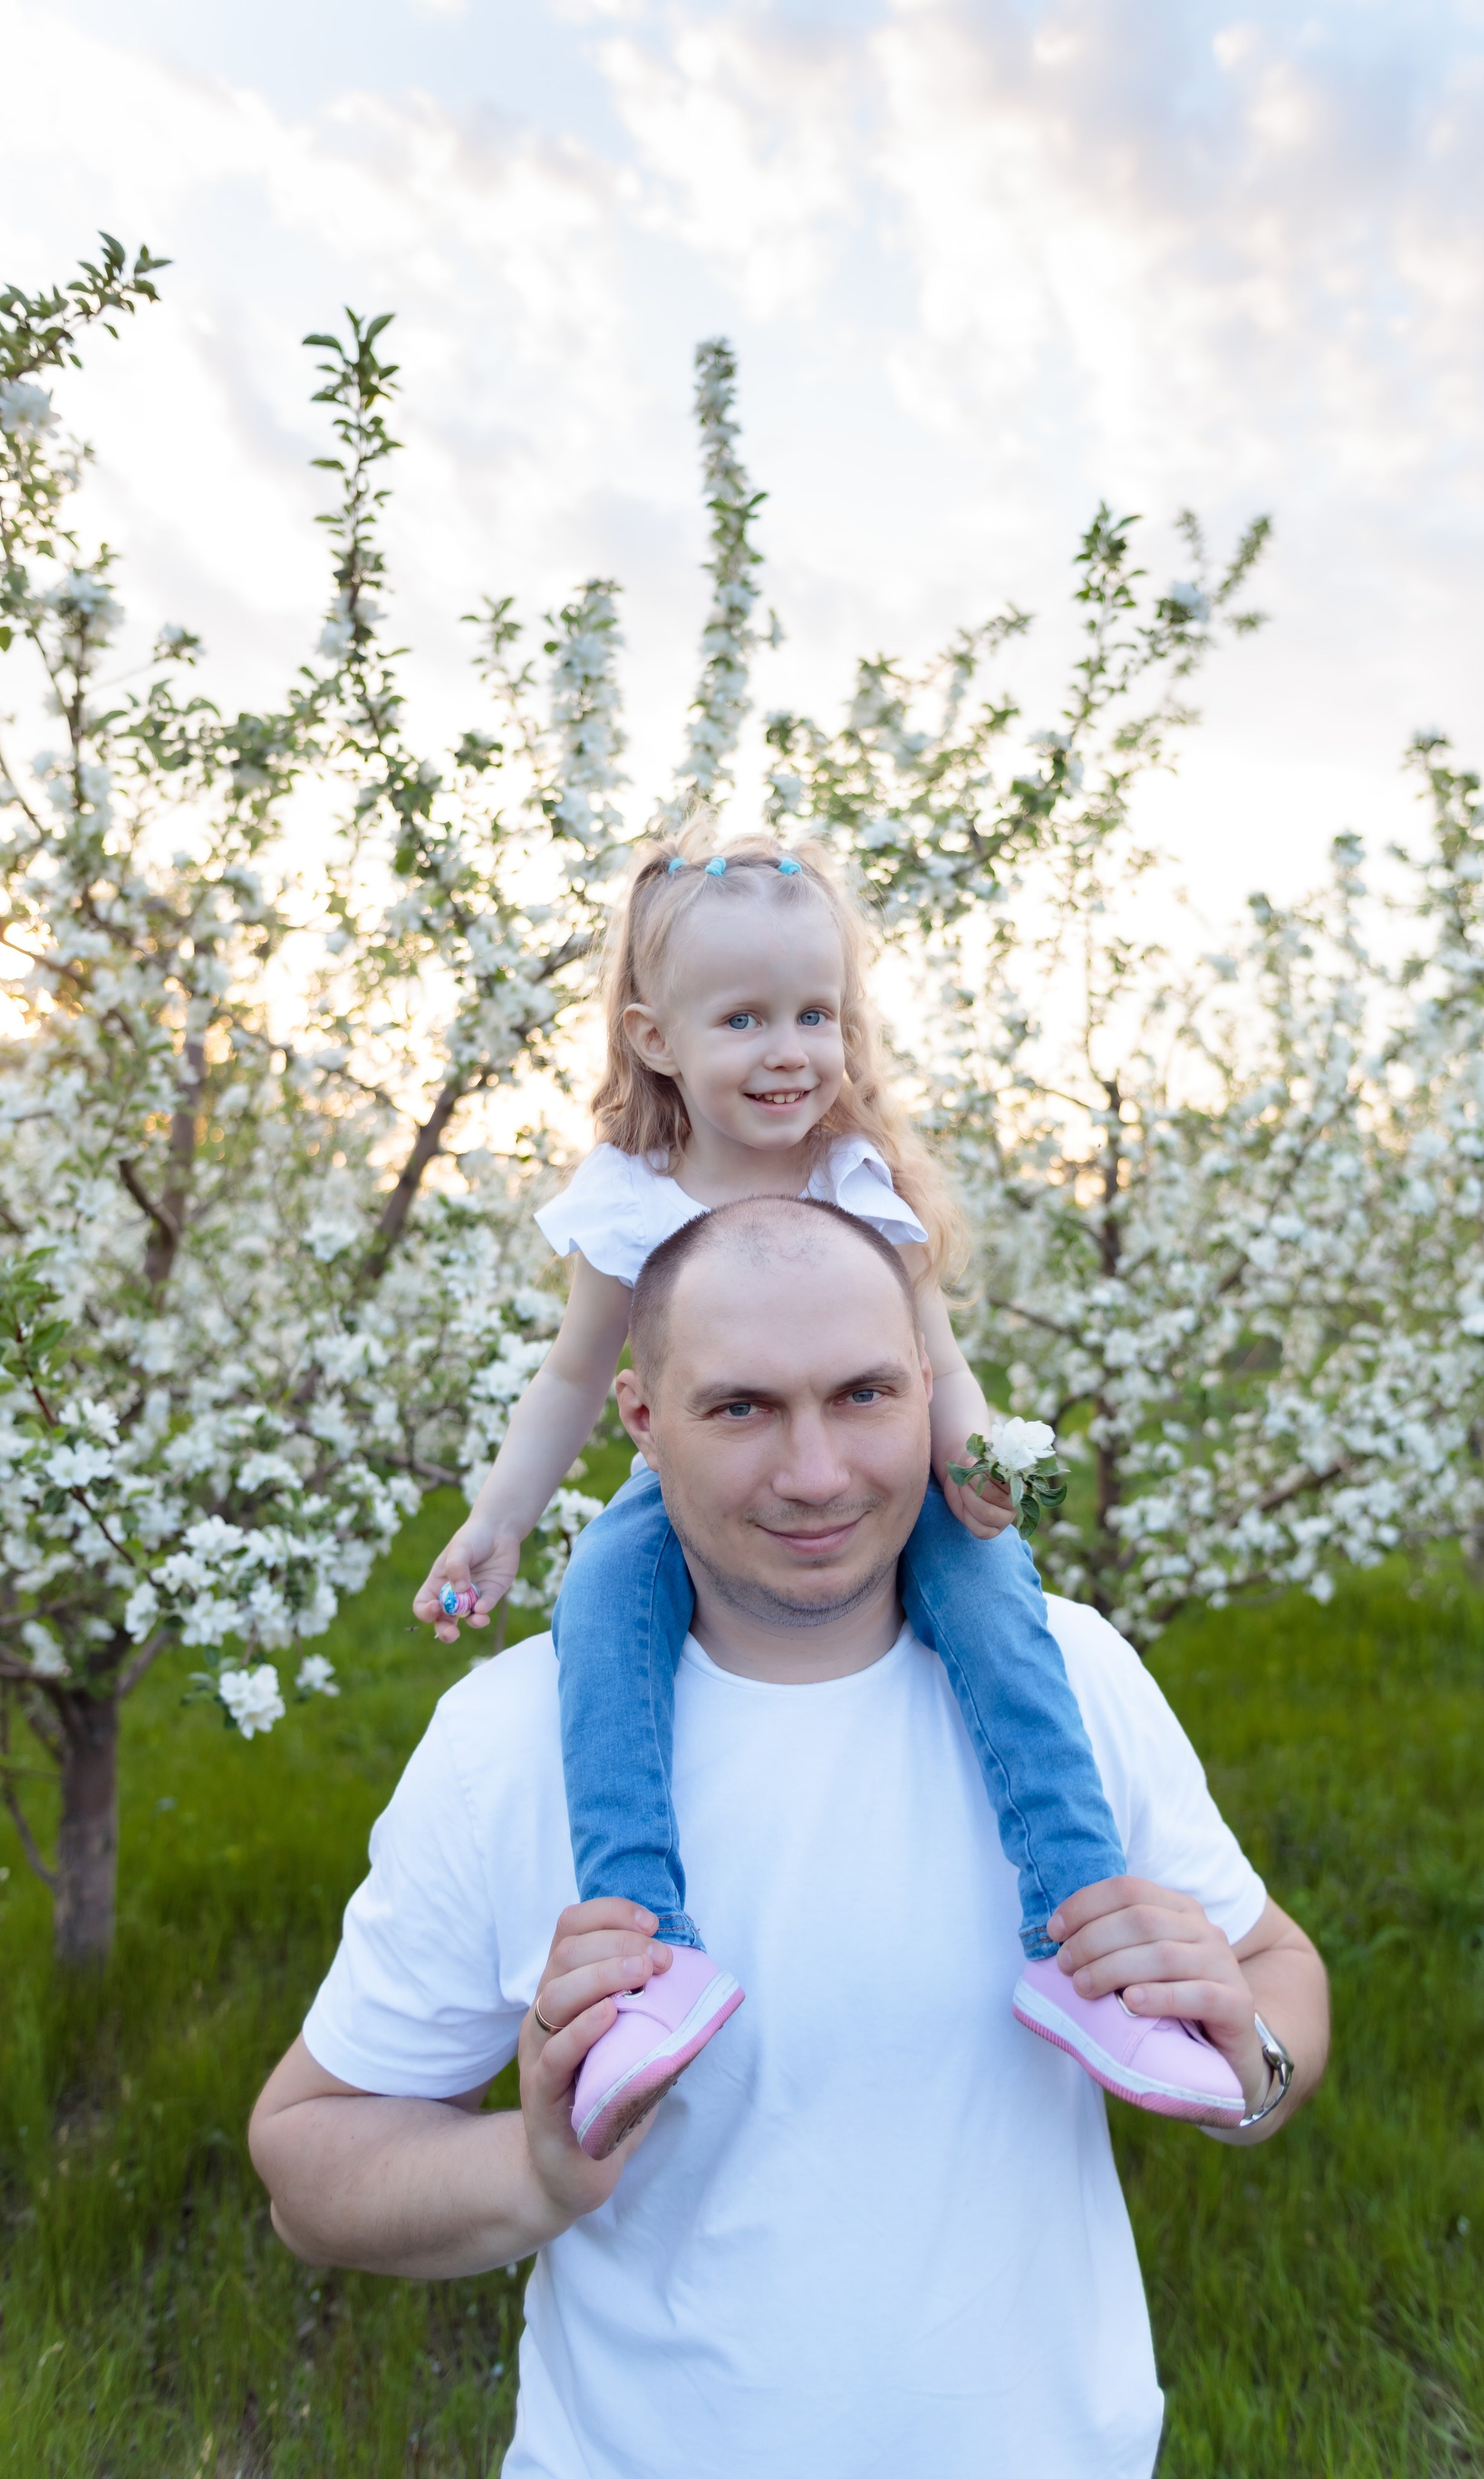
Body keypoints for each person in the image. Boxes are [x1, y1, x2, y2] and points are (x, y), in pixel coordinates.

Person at [252, 1196, 1330, 2479]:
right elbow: (308, 2163)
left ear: (928, 1384)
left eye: (864, 1395)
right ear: (641, 1419)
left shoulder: (1071, 1676)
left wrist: (1250, 2062)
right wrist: (537, 2172)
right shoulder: (506, 1742)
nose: (816, 1474)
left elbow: (1277, 1972)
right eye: (741, 1408)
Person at [411, 829, 1216, 2152]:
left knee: (1002, 1616)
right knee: (601, 1611)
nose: (787, 1051)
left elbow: (935, 1359)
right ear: (655, 1038)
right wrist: (497, 1522)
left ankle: (1081, 1939)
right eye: (742, 1019)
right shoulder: (632, 1201)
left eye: (815, 1015)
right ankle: (645, 1965)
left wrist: (971, 1462)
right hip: (693, 1496)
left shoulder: (857, 1182)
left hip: (887, 1471)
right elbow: (571, 1379)